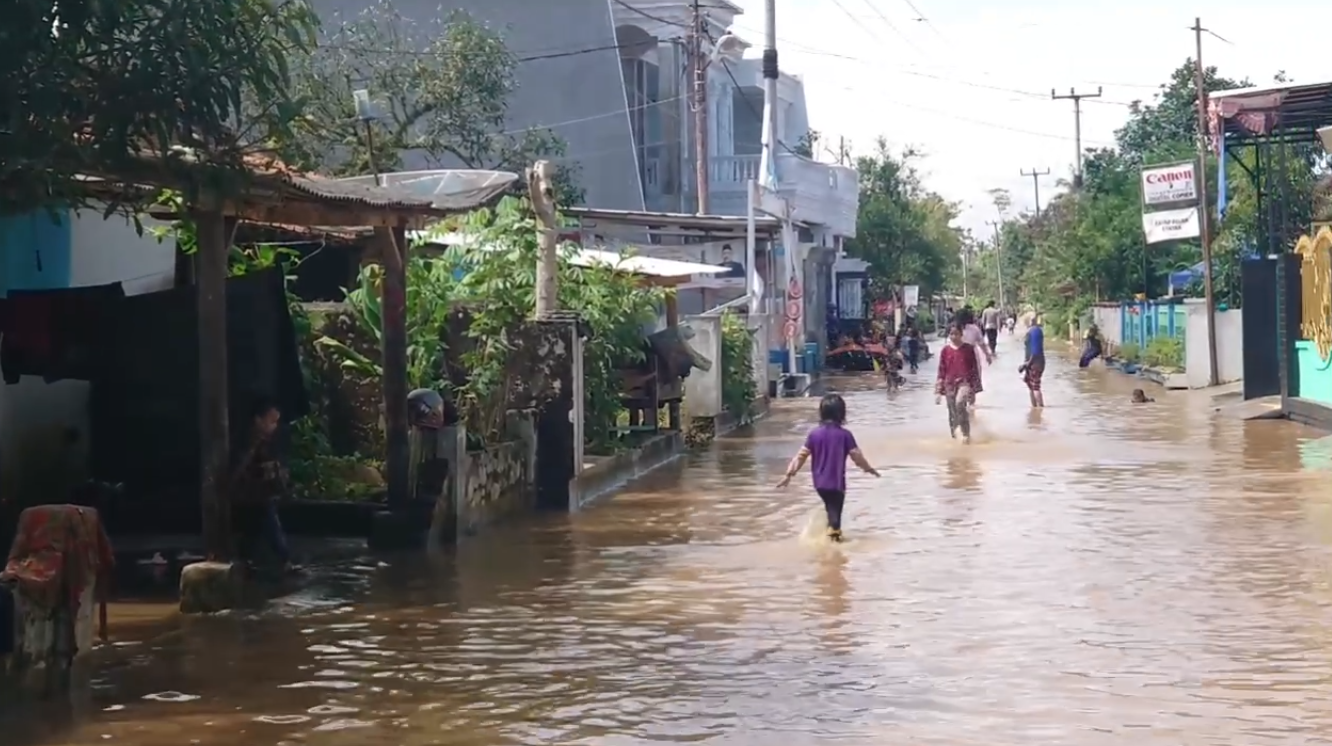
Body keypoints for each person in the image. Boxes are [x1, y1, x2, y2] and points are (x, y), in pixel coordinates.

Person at [776, 394, 880, 542]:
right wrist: (869, 469)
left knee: (831, 511)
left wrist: (789, 474)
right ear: (841, 413)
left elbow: (801, 456)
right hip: (836, 484)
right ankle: (833, 551)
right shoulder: (845, 435)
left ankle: (827, 542)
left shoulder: (814, 434)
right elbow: (856, 456)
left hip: (819, 484)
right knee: (835, 517)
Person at [231, 395, 298, 573]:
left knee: (257, 532)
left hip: (258, 497)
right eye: (271, 421)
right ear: (258, 420)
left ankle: (259, 561)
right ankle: (282, 560)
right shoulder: (244, 441)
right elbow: (236, 472)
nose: (274, 427)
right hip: (244, 497)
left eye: (276, 422)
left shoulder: (267, 442)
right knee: (264, 528)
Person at [935, 324, 980, 443]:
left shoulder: (968, 349)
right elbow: (941, 370)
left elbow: (974, 368)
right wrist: (938, 390)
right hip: (949, 383)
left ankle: (966, 434)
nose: (954, 336)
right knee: (952, 410)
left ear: (961, 334)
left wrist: (974, 388)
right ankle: (955, 436)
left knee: (960, 403)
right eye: (951, 334)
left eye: (956, 334)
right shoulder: (945, 350)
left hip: (964, 382)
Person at [958, 308, 992, 401]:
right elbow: (982, 344)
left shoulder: (955, 328)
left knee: (959, 381)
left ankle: (961, 406)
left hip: (957, 356)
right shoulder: (974, 328)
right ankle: (971, 408)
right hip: (972, 356)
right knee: (972, 382)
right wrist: (988, 356)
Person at [1021, 315, 1046, 408]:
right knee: (1031, 386)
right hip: (1032, 363)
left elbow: (1035, 351)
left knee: (1035, 386)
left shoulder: (1034, 331)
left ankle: (1040, 409)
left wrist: (1027, 364)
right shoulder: (1034, 331)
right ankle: (1035, 410)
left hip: (1035, 363)